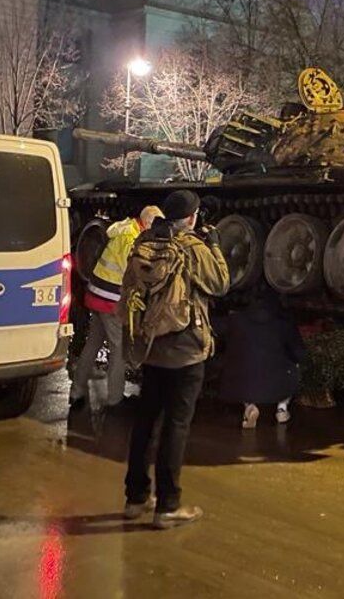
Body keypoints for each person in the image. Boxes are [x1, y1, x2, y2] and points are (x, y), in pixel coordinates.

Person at [123, 189, 229, 529]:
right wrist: (214, 245)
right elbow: (220, 283)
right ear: (192, 218)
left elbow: (130, 290)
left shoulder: (144, 243)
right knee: (176, 426)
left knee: (145, 421)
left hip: (152, 345)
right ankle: (168, 505)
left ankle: (136, 497)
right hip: (185, 348)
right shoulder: (193, 247)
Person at [70, 205, 163, 411]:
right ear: (148, 223)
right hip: (111, 301)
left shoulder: (123, 228)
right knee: (118, 352)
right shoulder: (132, 240)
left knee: (92, 345)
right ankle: (115, 401)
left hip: (95, 295)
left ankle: (76, 392)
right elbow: (132, 274)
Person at [218, 289, 306, 428]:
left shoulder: (236, 320)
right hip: (277, 383)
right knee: (293, 365)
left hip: (241, 382)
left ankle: (249, 405)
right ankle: (282, 409)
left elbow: (216, 330)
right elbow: (299, 354)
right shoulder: (284, 323)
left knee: (243, 361)